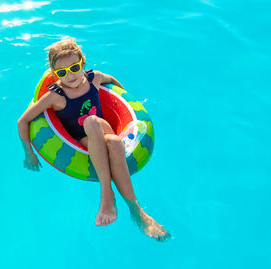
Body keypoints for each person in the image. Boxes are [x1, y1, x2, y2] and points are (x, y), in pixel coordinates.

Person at [17, 38, 170, 241]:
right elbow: (23, 121)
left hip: (103, 128)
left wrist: (128, 103)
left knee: (93, 122)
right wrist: (29, 154)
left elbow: (114, 84)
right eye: (62, 72)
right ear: (54, 73)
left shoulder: (94, 79)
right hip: (85, 140)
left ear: (83, 62)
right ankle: (136, 211)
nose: (70, 75)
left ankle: (107, 196)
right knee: (113, 141)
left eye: (74, 68)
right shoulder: (55, 97)